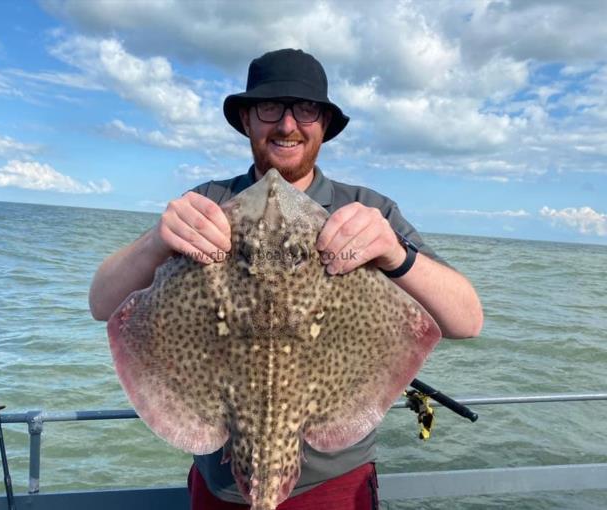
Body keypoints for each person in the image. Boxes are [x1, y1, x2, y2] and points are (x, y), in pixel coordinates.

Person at [89, 48, 483, 509]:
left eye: (306, 109)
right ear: (247, 119)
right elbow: (102, 303)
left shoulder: (367, 212)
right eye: (270, 108)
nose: (288, 124)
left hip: (333, 486)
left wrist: (395, 253)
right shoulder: (206, 205)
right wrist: (157, 240)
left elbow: (467, 321)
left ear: (324, 125)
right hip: (219, 487)